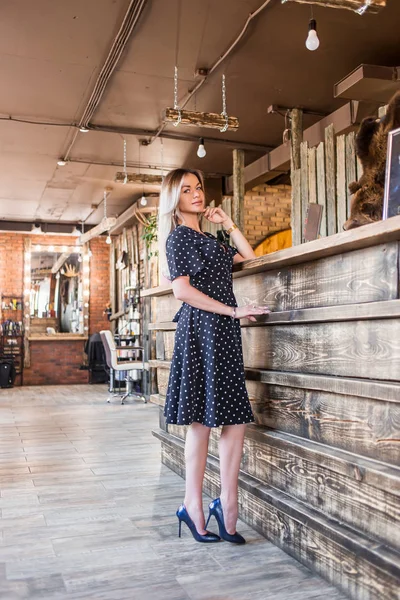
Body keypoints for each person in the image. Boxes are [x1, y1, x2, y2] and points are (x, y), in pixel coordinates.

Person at [158, 168, 270, 544]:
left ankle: (227, 501)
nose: (197, 194)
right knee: (202, 423)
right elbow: (182, 292)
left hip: (222, 332)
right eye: (186, 189)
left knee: (234, 417)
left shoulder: (208, 237)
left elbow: (249, 255)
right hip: (202, 331)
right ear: (174, 198)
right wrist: (233, 311)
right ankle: (192, 505)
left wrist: (228, 221)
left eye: (199, 187)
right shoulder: (179, 238)